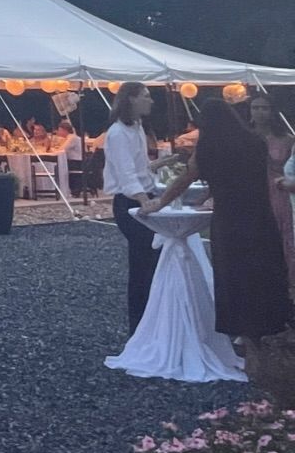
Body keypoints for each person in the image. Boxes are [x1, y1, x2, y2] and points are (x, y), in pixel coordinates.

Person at [162, 99, 292, 344]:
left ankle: (241, 326)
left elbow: (187, 177)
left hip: (229, 218)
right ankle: (271, 321)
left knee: (234, 270)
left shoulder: (210, 146)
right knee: (261, 268)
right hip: (259, 214)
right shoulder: (254, 142)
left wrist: (159, 202)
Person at [103, 82, 161, 332]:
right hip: (130, 203)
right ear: (131, 100)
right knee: (143, 263)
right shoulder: (117, 133)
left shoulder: (137, 128)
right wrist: (144, 200)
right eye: (146, 96)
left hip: (142, 197)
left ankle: (150, 320)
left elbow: (140, 167)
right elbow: (126, 174)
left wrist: (158, 168)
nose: (151, 101)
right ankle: (139, 325)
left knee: (150, 260)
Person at [249, 94, 295, 284]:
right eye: (255, 107)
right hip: (252, 191)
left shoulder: (287, 140)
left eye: (264, 108)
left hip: (279, 191)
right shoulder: (245, 137)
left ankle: (288, 281)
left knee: (283, 234)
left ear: (272, 111)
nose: (260, 112)